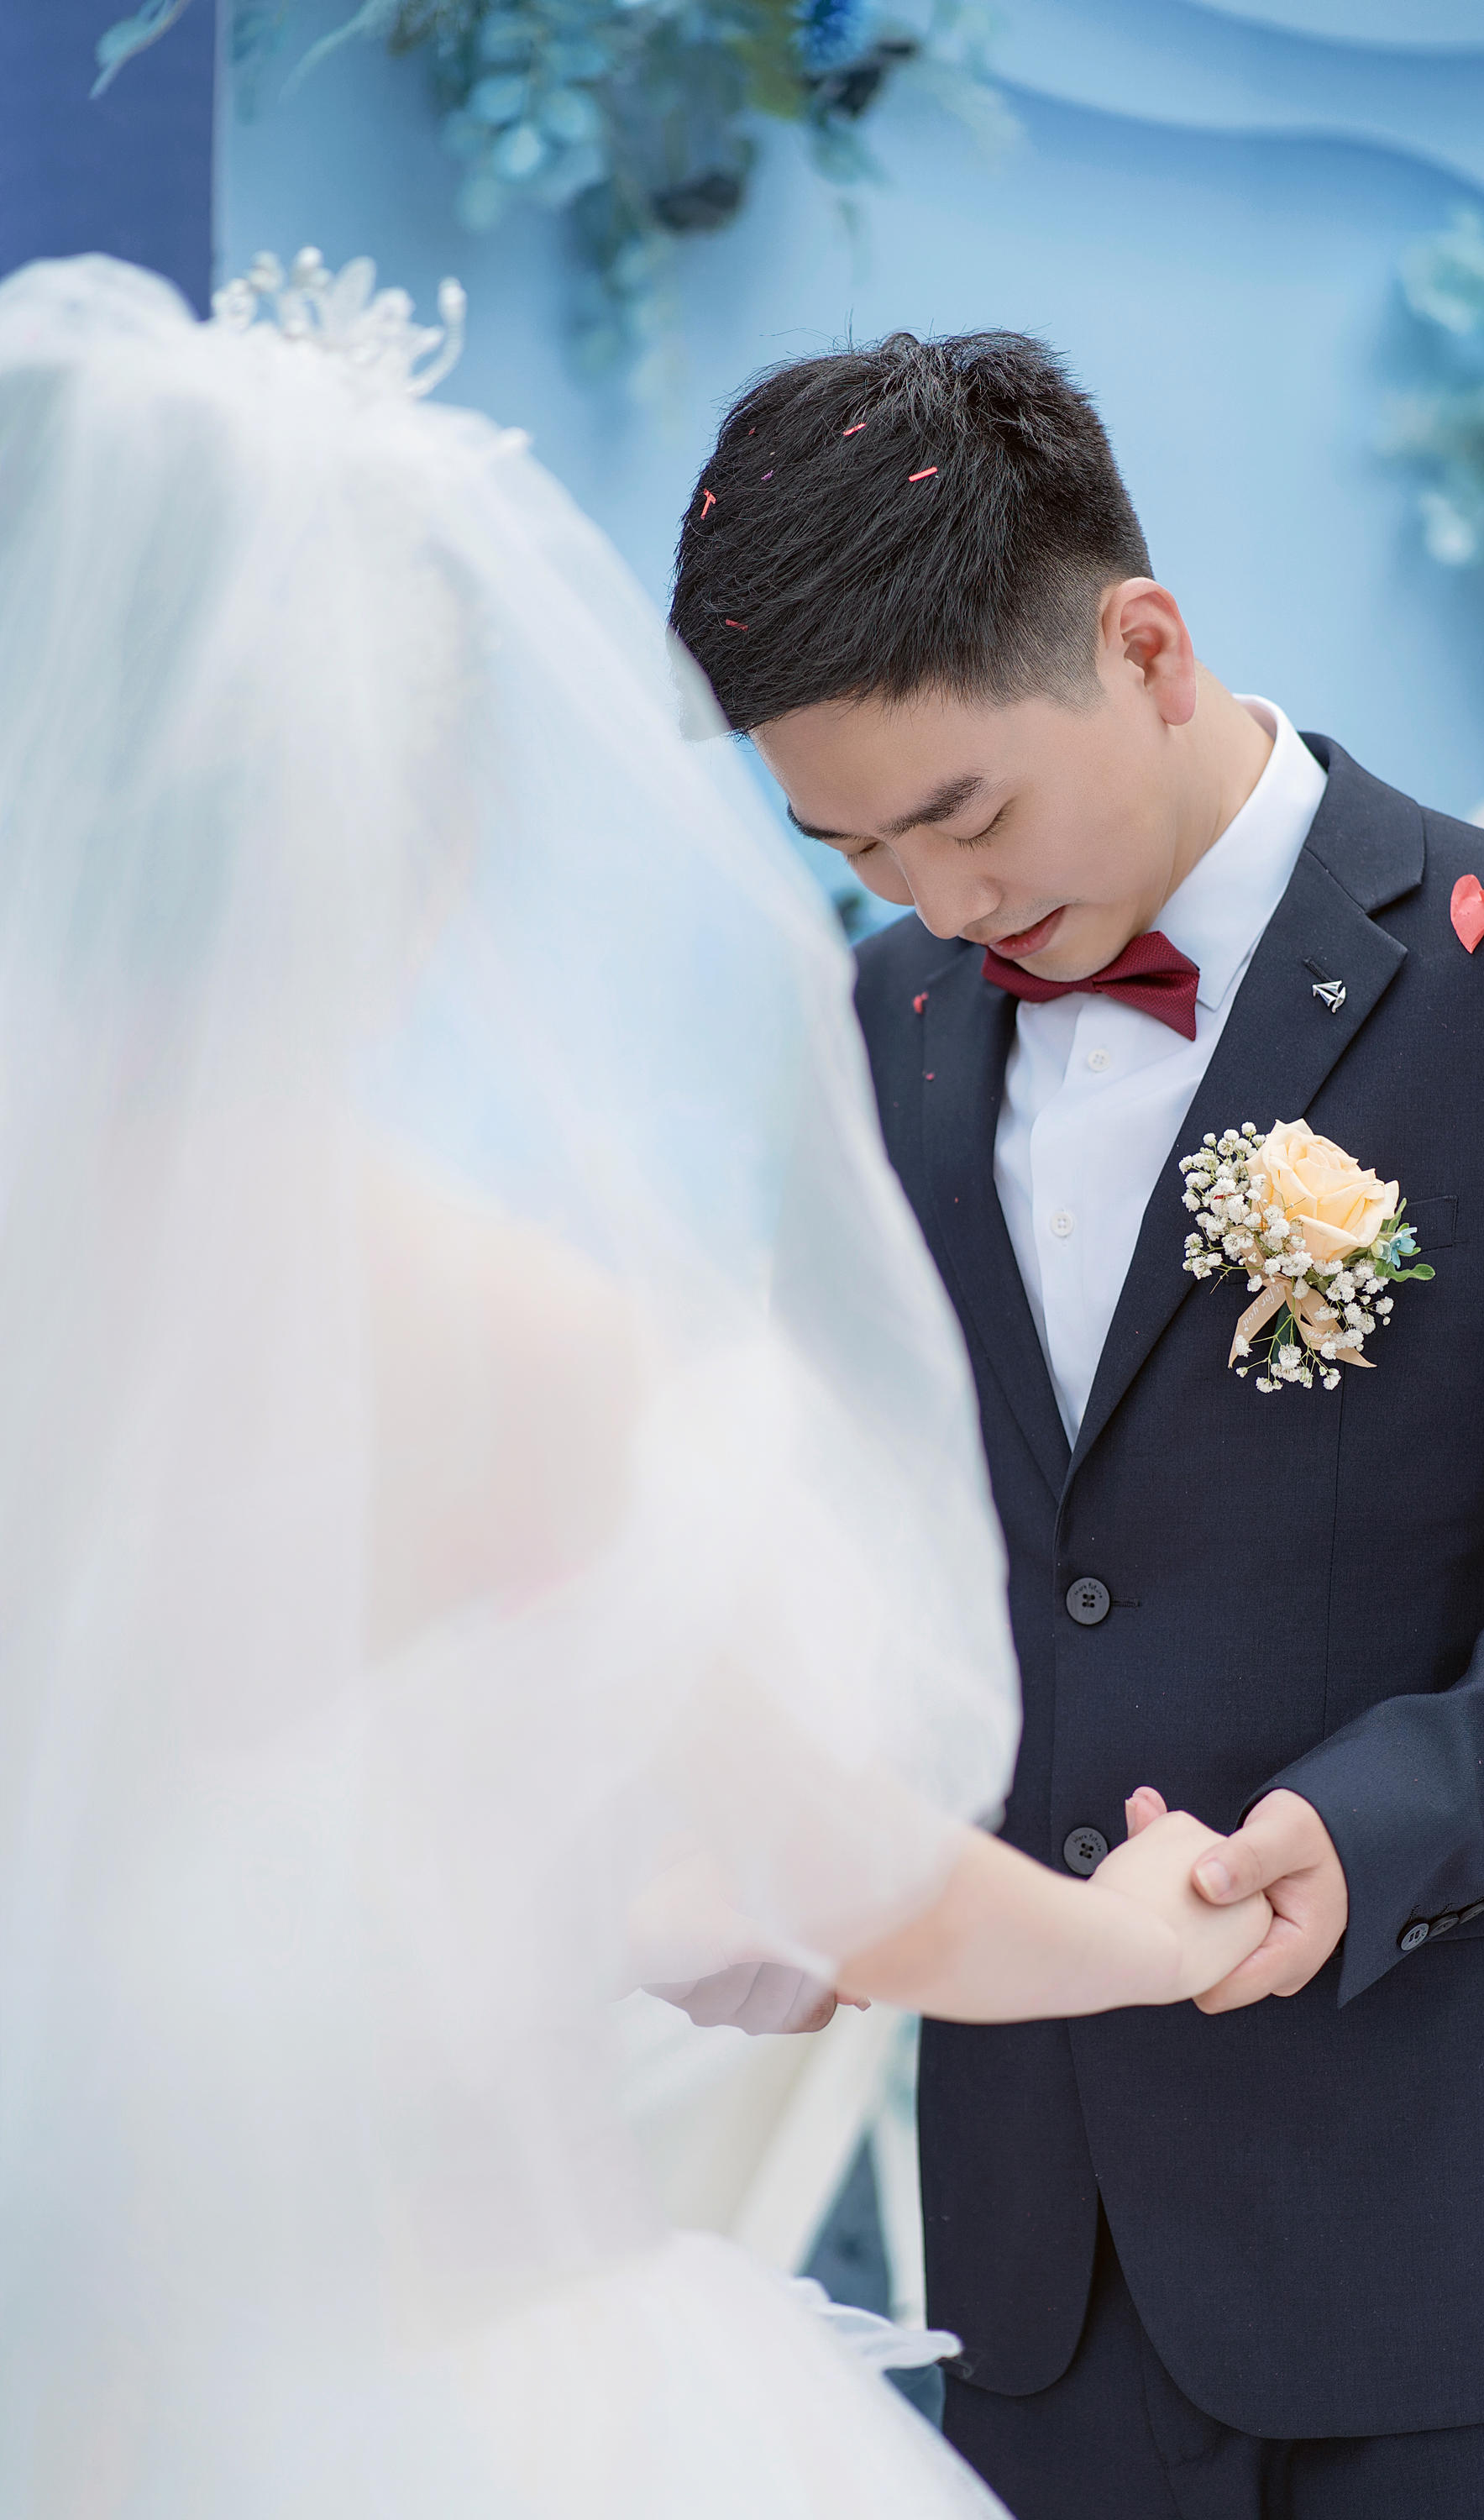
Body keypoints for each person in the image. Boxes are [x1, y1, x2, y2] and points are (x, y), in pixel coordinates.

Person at [0, 255, 1269, 2517]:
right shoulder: (488, 1335)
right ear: (420, 857)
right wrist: (1146, 1931)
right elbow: (840, 1869)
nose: (925, 902)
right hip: (433, 2403)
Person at [669, 328, 1484, 2520]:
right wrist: (795, 1817)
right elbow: (880, 1521)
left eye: (965, 815)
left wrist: (1387, 1818)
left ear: (1145, 647)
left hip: (1455, 2267)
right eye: (858, 847)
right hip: (1037, 2279)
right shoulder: (887, 1016)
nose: (941, 903)